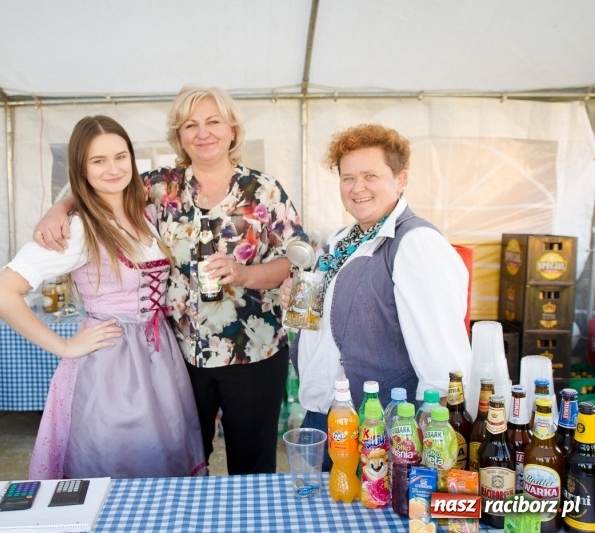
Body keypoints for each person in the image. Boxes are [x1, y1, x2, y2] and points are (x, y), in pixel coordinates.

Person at [33, 87, 309, 475]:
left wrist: (245, 273)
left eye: (213, 122)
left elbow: (292, 258)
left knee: (251, 466)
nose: (203, 132)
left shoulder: (263, 190)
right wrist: (58, 209)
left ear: (232, 130)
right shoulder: (159, 186)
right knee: (182, 464)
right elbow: (98, 188)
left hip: (253, 352)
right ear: (178, 136)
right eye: (190, 125)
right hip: (177, 356)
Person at [0, 115, 206, 479]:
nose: (113, 168)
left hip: (159, 357)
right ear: (81, 168)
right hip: (112, 366)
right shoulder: (78, 229)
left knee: (163, 460)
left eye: (120, 156)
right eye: (98, 161)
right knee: (118, 462)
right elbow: (1, 294)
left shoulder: (145, 212)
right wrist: (65, 347)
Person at [281, 123, 473, 470]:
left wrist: (431, 451)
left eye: (371, 175)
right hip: (327, 417)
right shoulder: (342, 239)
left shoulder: (415, 244)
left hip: (381, 434)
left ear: (401, 179)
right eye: (348, 178)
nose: (358, 188)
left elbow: (444, 366)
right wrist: (295, 296)